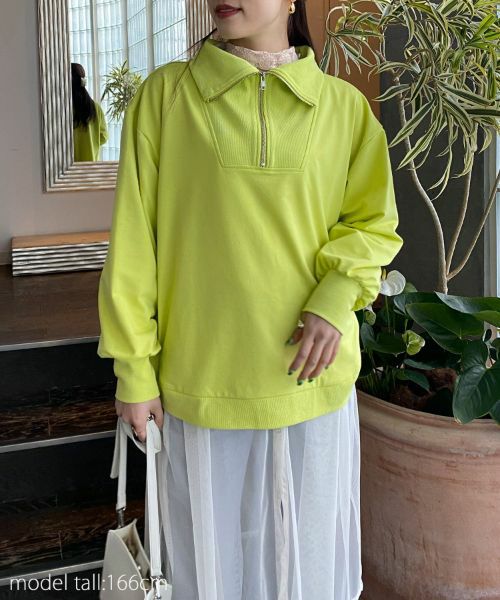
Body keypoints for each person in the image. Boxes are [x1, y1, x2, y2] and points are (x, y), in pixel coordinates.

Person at [96, 0, 404, 598]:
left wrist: (335, 295)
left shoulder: (345, 108)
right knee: (211, 569)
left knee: (307, 566)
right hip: (203, 384)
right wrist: (134, 370)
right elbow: (134, 244)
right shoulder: (166, 98)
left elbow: (373, 223)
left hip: (313, 385)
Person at [71, 63, 108, 161]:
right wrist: (91, 142)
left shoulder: (63, 109)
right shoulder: (96, 107)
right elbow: (104, 137)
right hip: (91, 164)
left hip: (70, 166)